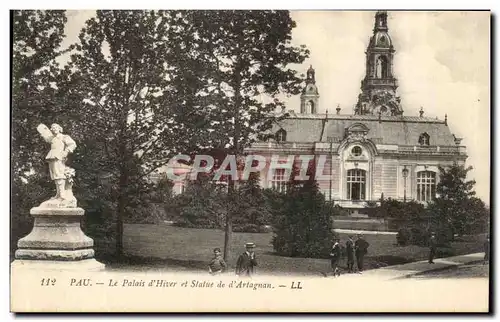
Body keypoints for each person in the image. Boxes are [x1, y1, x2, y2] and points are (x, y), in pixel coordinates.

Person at [37, 123, 77, 200]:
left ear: (59, 128)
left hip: (59, 156)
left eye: (55, 127)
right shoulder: (52, 138)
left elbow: (72, 144)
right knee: (55, 176)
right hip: (52, 156)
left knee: (59, 174)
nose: (54, 129)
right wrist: (42, 130)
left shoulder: (63, 137)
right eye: (52, 128)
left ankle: (62, 195)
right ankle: (58, 194)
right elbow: (45, 134)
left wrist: (66, 152)